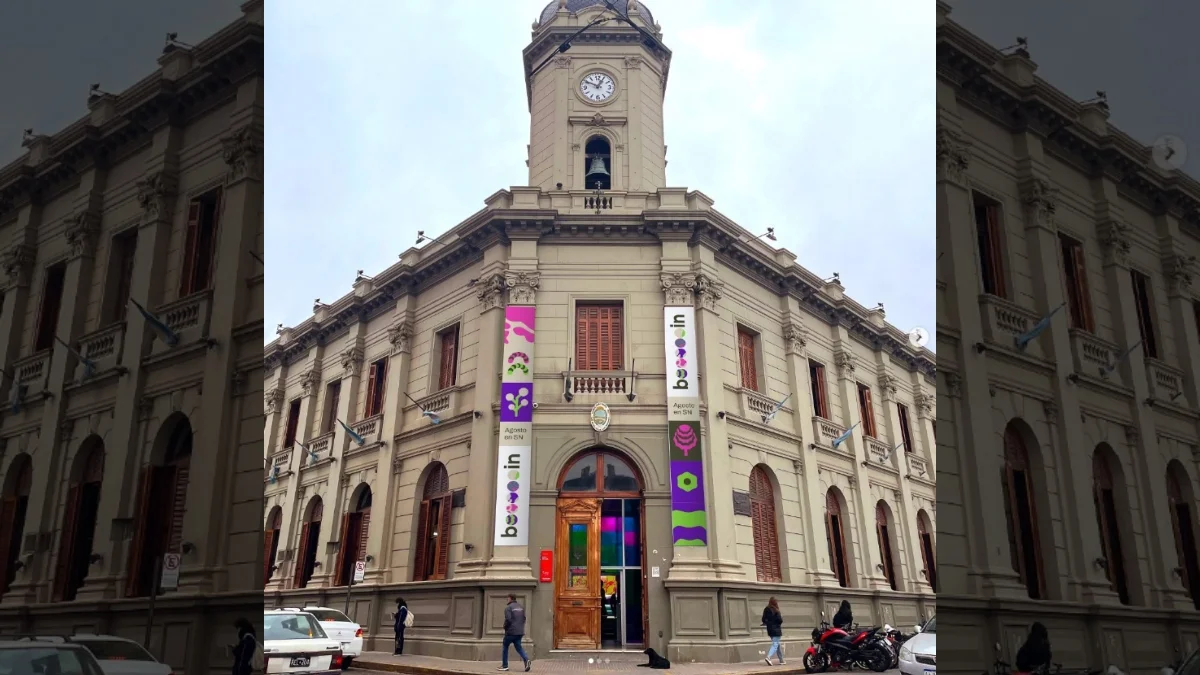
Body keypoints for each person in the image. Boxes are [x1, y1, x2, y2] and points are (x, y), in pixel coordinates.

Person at [499, 594, 531, 672]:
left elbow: (508, 620)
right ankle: (526, 660)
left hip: (511, 632)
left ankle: (505, 665)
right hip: (520, 632)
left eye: (507, 598)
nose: (507, 600)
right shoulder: (521, 607)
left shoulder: (508, 608)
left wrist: (505, 627)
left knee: (505, 646)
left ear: (510, 598)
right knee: (518, 647)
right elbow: (524, 618)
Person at [762, 597, 785, 666]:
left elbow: (763, 619)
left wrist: (768, 623)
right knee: (775, 644)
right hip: (776, 629)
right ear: (775, 602)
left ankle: (781, 660)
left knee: (777, 644)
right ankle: (768, 657)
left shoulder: (766, 609)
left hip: (770, 629)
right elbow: (780, 620)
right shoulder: (776, 610)